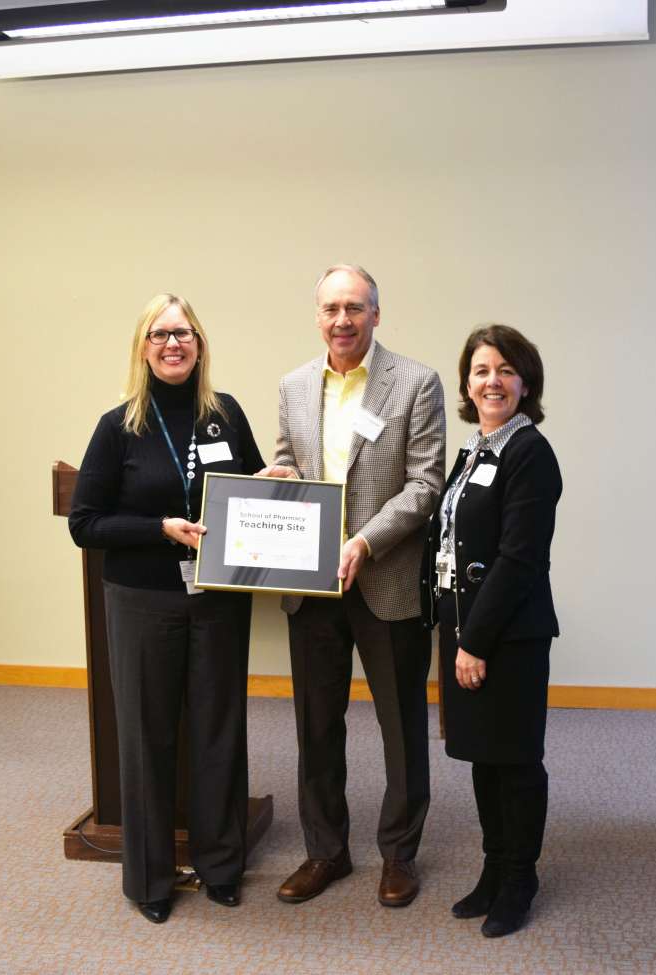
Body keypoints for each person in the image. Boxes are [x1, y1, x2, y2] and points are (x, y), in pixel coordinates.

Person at [69, 293, 264, 923]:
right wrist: (160, 527)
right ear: (142, 347)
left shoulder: (226, 415)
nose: (172, 344)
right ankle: (150, 879)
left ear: (200, 343)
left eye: (183, 332)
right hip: (144, 602)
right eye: (159, 335)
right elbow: (86, 523)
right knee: (147, 739)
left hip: (218, 600)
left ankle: (221, 865)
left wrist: (275, 490)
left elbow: (254, 489)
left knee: (218, 732)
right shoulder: (117, 425)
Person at [259, 264, 445, 908]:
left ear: (375, 314)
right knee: (316, 724)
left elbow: (425, 486)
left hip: (385, 578)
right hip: (310, 584)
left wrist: (363, 542)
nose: (343, 320)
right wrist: (273, 480)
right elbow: (291, 463)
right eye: (332, 309)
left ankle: (399, 854)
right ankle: (326, 852)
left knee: (400, 725)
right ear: (318, 316)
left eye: (356, 308)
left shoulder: (416, 382)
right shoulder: (292, 385)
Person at [420, 324, 562, 938]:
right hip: (465, 629)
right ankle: (493, 868)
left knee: (517, 759)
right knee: (483, 755)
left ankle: (521, 876)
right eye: (481, 370)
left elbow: (519, 559)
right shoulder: (477, 450)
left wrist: (474, 641)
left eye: (505, 370)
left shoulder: (530, 453)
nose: (492, 381)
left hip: (507, 637)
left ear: (524, 383)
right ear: (467, 385)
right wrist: (454, 632)